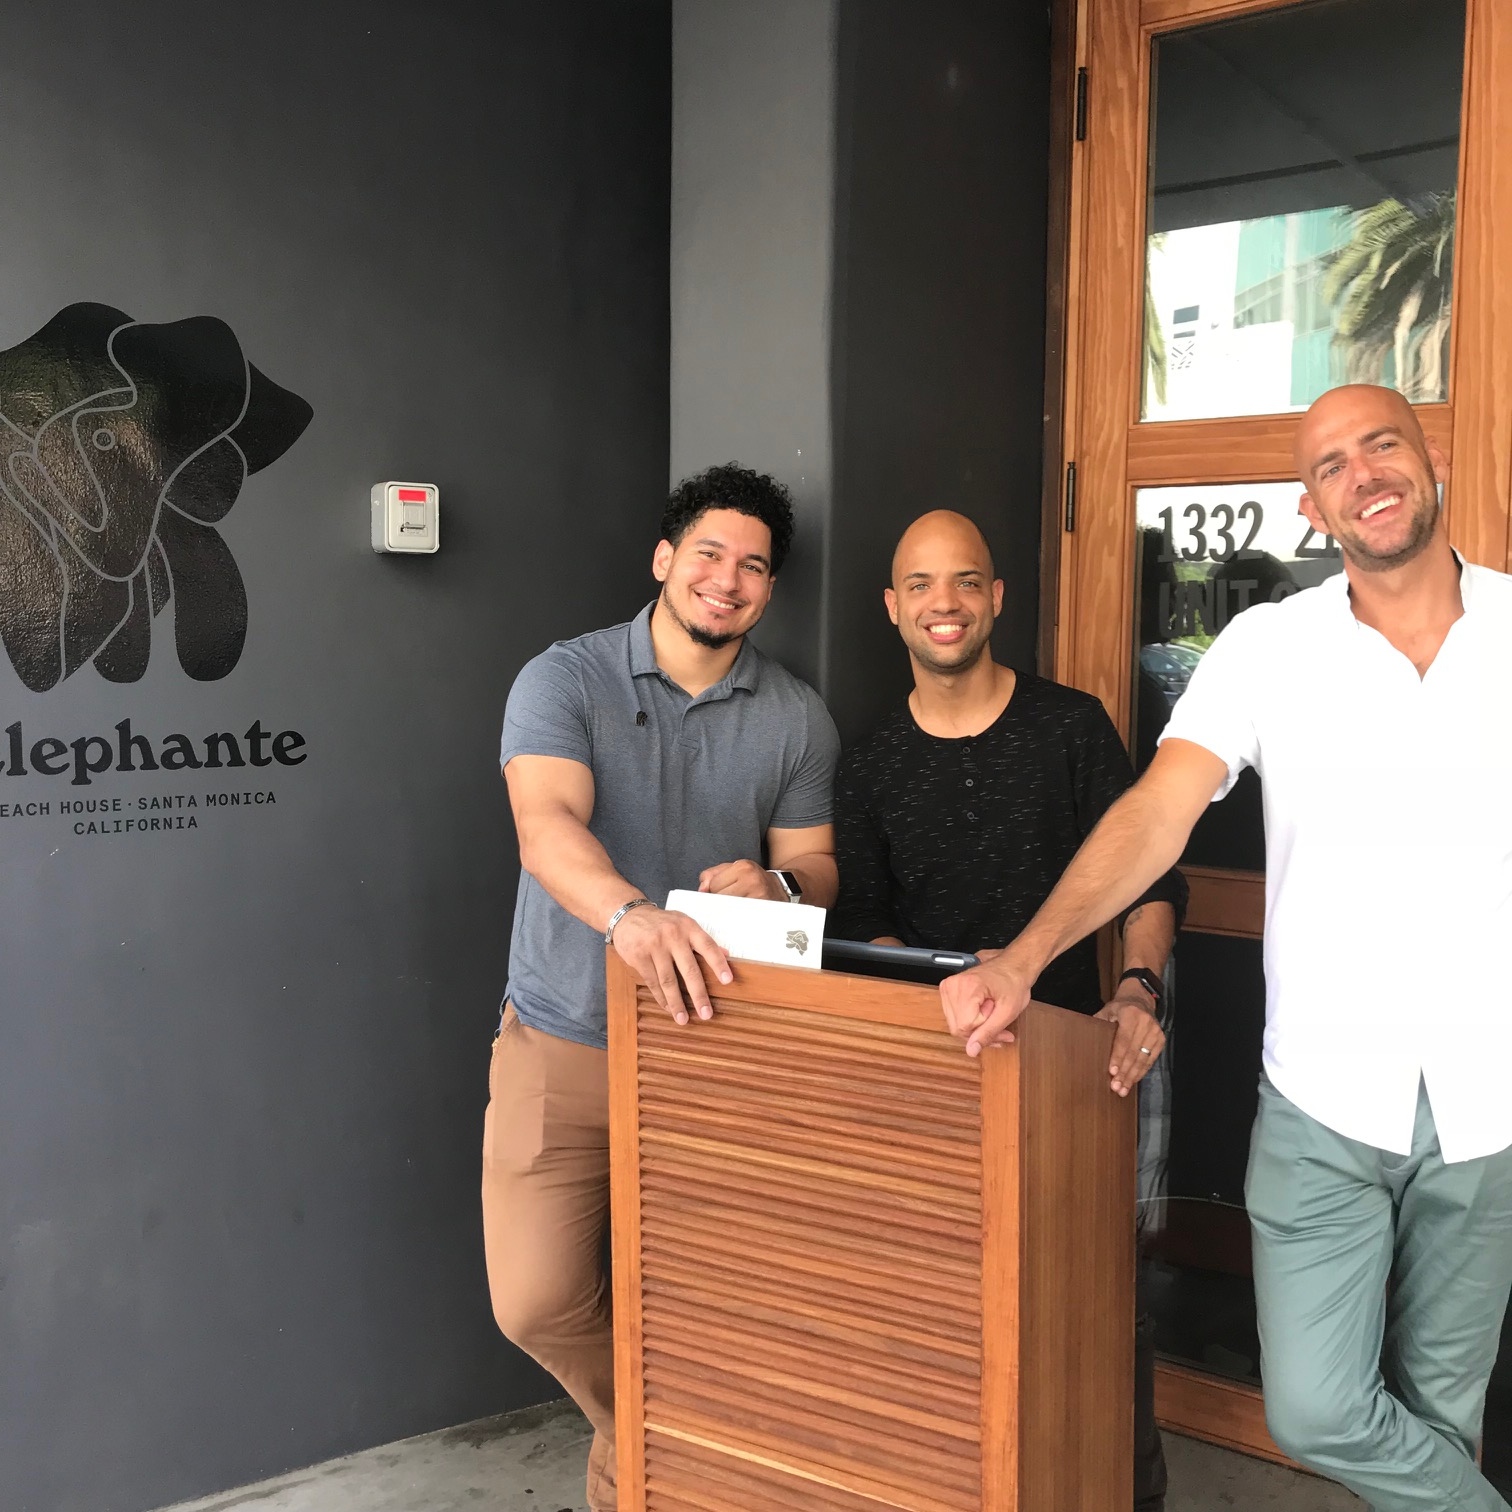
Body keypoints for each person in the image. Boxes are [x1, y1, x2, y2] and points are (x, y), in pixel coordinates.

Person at [941, 385, 1512, 1512]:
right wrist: (1023, 957)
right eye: (1332, 466)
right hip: (1322, 1101)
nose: (1363, 475)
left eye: (1382, 446)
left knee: (1440, 1421)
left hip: (1489, 1102)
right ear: (1311, 507)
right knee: (1316, 1409)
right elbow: (1159, 813)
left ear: (1431, 457)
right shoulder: (1268, 646)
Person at [485, 464, 840, 1512]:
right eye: (709, 554)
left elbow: (817, 871)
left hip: (710, 1052)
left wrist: (780, 885)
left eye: (753, 567)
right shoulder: (565, 678)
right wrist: (629, 916)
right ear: (664, 559)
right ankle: (668, 1439)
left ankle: (637, 1485)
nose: (727, 580)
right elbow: (545, 824)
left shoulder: (797, 717)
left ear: (769, 590)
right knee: (535, 1300)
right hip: (565, 1036)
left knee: (708, 1305)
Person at [831, 509, 1187, 1512]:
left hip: (1080, 1065)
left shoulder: (1070, 728)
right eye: (922, 584)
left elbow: (1152, 879)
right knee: (948, 1312)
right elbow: (863, 925)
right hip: (941, 1076)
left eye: (965, 581)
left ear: (996, 597)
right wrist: (939, 984)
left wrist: (1138, 988)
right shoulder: (869, 761)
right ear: (892, 606)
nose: (944, 603)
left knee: (1104, 1312)